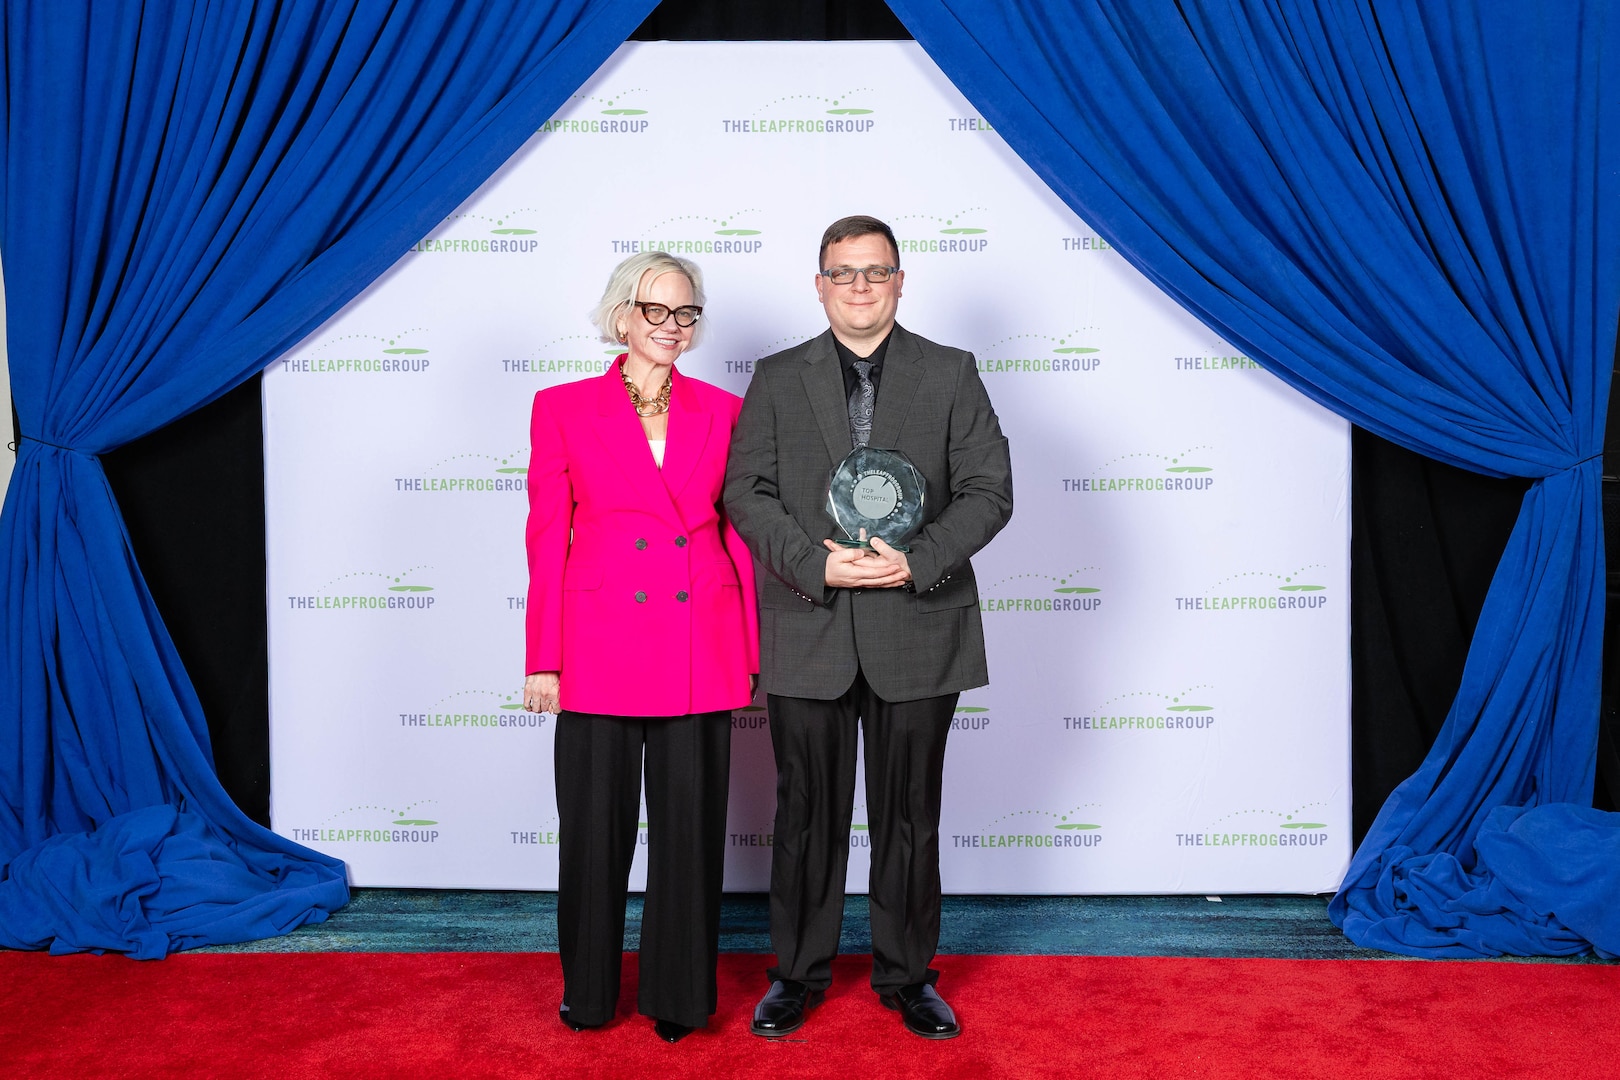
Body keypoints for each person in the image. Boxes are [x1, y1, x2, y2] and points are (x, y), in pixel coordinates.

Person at [724, 215, 1013, 1040]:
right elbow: (747, 492)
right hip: (809, 625)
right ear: (819, 285)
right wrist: (816, 565)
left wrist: (915, 560)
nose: (859, 287)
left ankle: (908, 975)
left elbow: (990, 490)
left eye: (875, 272)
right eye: (843, 273)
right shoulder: (778, 378)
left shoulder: (952, 373)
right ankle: (797, 974)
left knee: (910, 814)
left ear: (899, 282)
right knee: (804, 813)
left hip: (919, 624)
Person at [523, 251, 758, 1044]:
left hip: (701, 634)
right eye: (656, 311)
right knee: (594, 830)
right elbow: (547, 536)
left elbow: (741, 533)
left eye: (686, 313)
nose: (672, 327)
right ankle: (587, 990)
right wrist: (542, 657)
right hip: (597, 641)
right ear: (622, 314)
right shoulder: (560, 407)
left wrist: (750, 650)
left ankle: (679, 995)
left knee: (690, 832)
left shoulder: (726, 410)